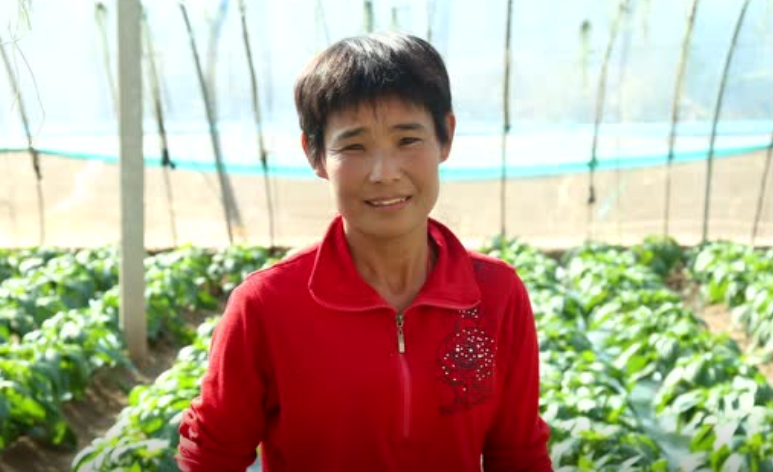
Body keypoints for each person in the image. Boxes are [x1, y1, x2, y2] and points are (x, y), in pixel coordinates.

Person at [176, 32, 552, 472]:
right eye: (354, 146)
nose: (384, 173)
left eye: (407, 140)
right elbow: (210, 457)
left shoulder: (497, 294)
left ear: (445, 136)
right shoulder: (265, 306)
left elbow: (518, 453)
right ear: (315, 154)